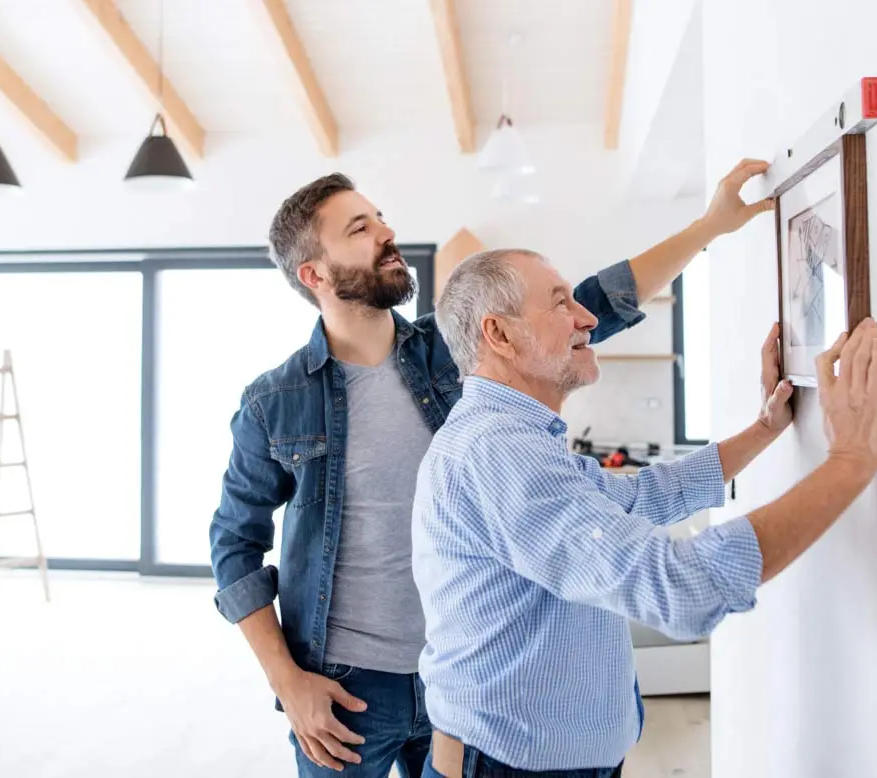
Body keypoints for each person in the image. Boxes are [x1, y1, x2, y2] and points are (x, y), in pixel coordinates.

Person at [208, 160, 775, 778]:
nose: (386, 233)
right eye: (359, 229)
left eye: (380, 218)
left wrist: (710, 226)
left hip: (466, 682)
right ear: (314, 274)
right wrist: (287, 681)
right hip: (345, 689)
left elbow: (595, 303)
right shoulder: (274, 402)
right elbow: (234, 546)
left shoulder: (451, 350)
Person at [412, 249, 877, 777]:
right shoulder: (500, 451)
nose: (588, 317)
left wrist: (764, 429)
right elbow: (681, 586)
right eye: (560, 302)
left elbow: (641, 498)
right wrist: (850, 461)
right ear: (499, 334)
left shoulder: (514, 438)